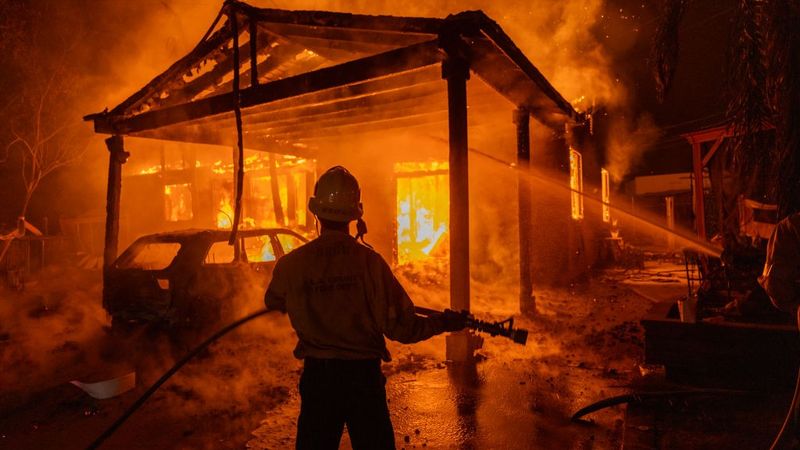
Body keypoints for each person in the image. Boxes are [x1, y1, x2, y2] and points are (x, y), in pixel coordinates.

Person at [264, 166, 466, 450]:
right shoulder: (369, 263)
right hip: (362, 381)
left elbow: (272, 302)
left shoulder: (290, 265)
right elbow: (403, 327)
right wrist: (444, 322)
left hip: (319, 380)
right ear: (355, 215)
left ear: (316, 212)